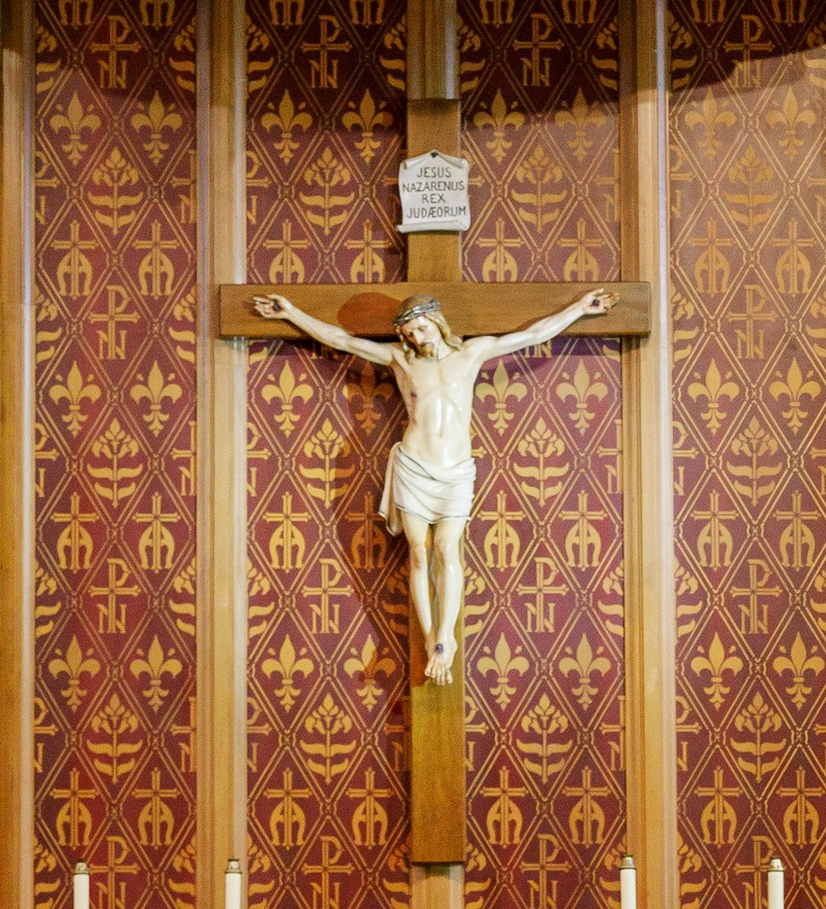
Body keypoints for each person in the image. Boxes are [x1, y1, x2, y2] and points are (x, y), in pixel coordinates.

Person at [246, 283, 612, 685]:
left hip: (455, 472)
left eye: (421, 328)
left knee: (446, 547)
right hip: (415, 466)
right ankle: (430, 637)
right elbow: (341, 340)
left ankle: (446, 637)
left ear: (437, 321)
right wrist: (290, 313)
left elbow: (532, 335)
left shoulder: (471, 353)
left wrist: (580, 308)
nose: (417, 338)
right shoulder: (401, 360)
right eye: (410, 334)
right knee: (419, 552)